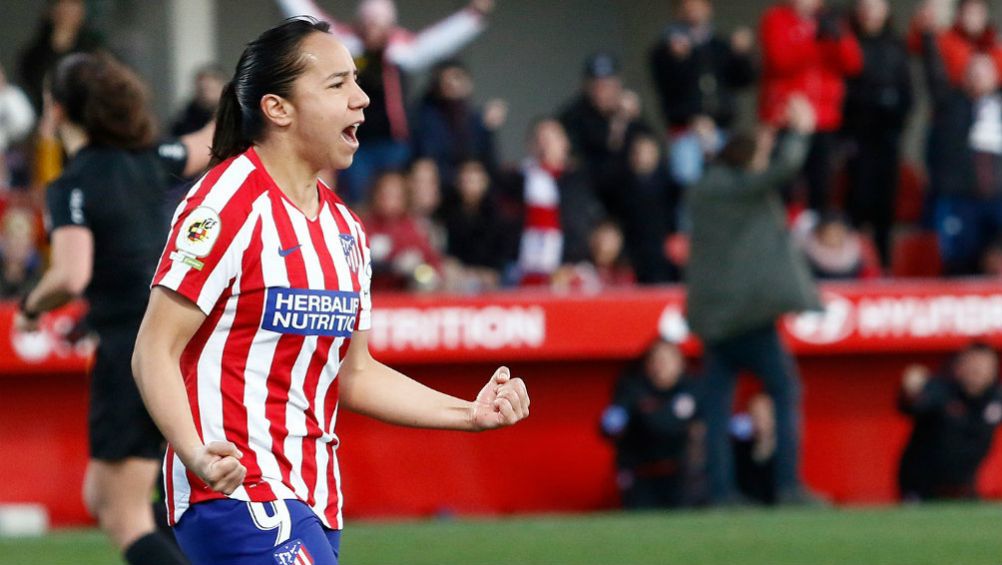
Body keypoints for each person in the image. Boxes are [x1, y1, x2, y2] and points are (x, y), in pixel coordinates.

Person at [130, 19, 528, 565]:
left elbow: (355, 373)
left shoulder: (345, 229)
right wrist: (196, 454)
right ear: (278, 109)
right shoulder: (225, 204)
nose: (363, 99)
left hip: (315, 496)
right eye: (338, 85)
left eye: (357, 83)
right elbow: (154, 348)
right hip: (232, 492)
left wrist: (470, 413)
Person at [14, 53, 213, 565]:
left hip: (132, 355)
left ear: (56, 112)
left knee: (123, 515)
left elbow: (71, 275)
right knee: (107, 498)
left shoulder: (72, 183)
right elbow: (206, 144)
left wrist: (32, 306)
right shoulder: (150, 156)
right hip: (180, 346)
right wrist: (247, 95)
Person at [685, 96, 824, 506]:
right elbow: (785, 168)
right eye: (759, 154)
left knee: (716, 407)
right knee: (785, 391)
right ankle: (788, 487)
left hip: (712, 318)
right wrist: (799, 132)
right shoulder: (739, 188)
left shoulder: (707, 188)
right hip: (747, 316)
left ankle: (721, 492)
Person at [276, 0, 496, 203]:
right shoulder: (345, 44)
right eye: (369, 23)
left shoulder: (401, 49)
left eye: (379, 24)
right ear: (360, 22)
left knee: (396, 198)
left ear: (389, 24)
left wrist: (473, 16)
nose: (373, 29)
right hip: (354, 141)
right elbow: (306, 16)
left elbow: (439, 40)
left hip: (394, 143)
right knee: (357, 197)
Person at [759, 0, 862, 212]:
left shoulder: (830, 19)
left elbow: (853, 64)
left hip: (824, 118)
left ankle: (816, 239)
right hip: (787, 117)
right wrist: (813, 38)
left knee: (821, 186)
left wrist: (839, 37)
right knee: (784, 184)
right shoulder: (776, 18)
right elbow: (780, 60)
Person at [920, 28, 1002, 276]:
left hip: (997, 198)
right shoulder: (949, 104)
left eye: (984, 72)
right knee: (959, 260)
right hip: (959, 199)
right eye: (973, 72)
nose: (978, 78)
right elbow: (934, 75)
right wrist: (928, 36)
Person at [649, 0, 756, 186]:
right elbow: (666, 88)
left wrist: (742, 55)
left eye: (698, 5)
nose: (693, 11)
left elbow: (743, 80)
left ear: (708, 8)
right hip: (685, 131)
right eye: (687, 6)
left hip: (722, 129)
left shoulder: (720, 46)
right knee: (688, 184)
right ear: (677, 11)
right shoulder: (665, 50)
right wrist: (678, 61)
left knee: (730, 184)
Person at [844, 0, 913, 267]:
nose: (871, 13)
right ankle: (853, 265)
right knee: (857, 202)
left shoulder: (896, 45)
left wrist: (897, 120)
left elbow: (907, 93)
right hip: (858, 136)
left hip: (887, 136)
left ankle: (883, 265)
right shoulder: (848, 42)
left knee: (885, 207)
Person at [600, 338, 700, 509]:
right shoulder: (632, 388)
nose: (662, 365)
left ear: (680, 363)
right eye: (657, 360)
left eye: (668, 360)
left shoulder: (692, 388)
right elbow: (610, 426)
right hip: (641, 473)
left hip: (682, 475)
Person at [506, 118, 605, 286]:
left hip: (573, 267)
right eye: (540, 140)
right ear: (530, 145)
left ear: (565, 142)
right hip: (526, 269)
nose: (545, 146)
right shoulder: (517, 180)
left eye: (551, 139)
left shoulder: (580, 179)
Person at [898, 343, 1002, 501]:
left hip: (964, 488)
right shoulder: (940, 390)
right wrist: (911, 392)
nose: (977, 371)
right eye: (972, 364)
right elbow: (911, 405)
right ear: (959, 367)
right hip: (922, 487)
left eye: (984, 366)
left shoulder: (996, 398)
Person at [558, 52, 648, 212]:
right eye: (596, 84)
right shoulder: (573, 116)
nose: (601, 90)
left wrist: (628, 119)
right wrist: (615, 129)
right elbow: (577, 162)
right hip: (591, 195)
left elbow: (649, 151)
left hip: (628, 194)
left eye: (608, 84)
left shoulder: (631, 114)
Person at [411, 59, 506, 186]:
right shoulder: (427, 118)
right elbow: (430, 157)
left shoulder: (477, 121)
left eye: (457, 78)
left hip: (474, 185)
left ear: (469, 84)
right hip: (444, 184)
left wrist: (489, 130)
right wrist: (459, 178)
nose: (452, 84)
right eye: (445, 80)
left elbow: (490, 163)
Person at [18, 0, 103, 113]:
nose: (68, 11)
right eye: (63, 5)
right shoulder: (33, 55)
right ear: (52, 10)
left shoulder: (93, 53)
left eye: (74, 6)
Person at [908, 0, 1002, 88]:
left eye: (978, 13)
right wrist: (924, 20)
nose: (973, 18)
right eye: (969, 13)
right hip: (954, 98)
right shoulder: (946, 40)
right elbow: (915, 45)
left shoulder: (995, 45)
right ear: (960, 15)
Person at [730, 393, 777, 505]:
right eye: (755, 415)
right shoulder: (739, 448)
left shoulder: (785, 451)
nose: (759, 421)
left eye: (764, 415)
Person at [171, 64, 228, 137]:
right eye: (202, 89)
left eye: (211, 89)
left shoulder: (238, 118)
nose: (206, 85)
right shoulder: (184, 121)